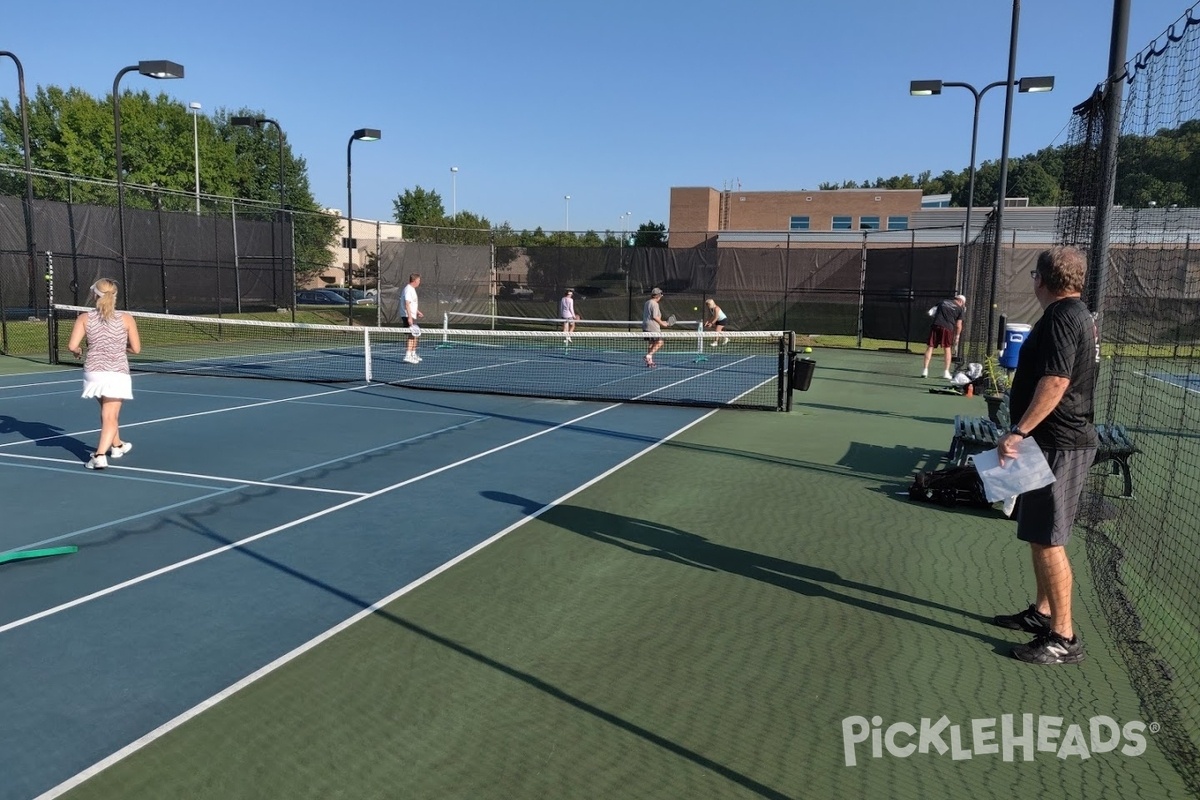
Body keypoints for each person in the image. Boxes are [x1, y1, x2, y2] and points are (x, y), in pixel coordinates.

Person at [992, 246, 1098, 665]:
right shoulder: (1076, 315)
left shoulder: (1061, 318)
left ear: (1041, 279)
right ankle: (1042, 612)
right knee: (1038, 534)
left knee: (1049, 541)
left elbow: (1055, 381)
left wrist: (1018, 431)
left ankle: (1063, 638)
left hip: (1059, 443)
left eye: (1034, 273)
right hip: (1052, 442)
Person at [66, 278, 141, 470]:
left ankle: (117, 446)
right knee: (110, 414)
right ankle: (99, 456)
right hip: (117, 372)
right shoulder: (126, 318)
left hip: (94, 373)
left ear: (94, 295)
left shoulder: (84, 318)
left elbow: (73, 346)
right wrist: (120, 348)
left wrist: (77, 352)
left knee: (108, 413)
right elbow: (136, 349)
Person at [921, 293, 966, 379]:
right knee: (947, 348)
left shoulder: (942, 302)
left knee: (930, 347)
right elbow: (959, 325)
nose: (962, 305)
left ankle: (925, 370)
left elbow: (930, 312)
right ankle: (946, 372)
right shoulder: (960, 309)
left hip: (935, 325)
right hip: (947, 328)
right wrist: (957, 336)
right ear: (961, 301)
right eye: (963, 304)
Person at [642, 287, 671, 367]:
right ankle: (649, 356)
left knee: (651, 343)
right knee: (660, 342)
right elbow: (655, 316)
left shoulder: (647, 302)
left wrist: (663, 322)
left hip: (646, 326)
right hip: (653, 327)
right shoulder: (655, 304)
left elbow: (651, 316)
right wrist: (663, 324)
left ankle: (649, 361)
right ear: (658, 296)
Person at [400, 273, 423, 364]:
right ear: (415, 280)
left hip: (412, 315)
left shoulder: (412, 289)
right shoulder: (408, 289)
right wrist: (409, 317)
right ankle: (408, 355)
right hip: (407, 315)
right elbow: (407, 303)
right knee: (411, 335)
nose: (419, 282)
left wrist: (417, 312)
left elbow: (412, 304)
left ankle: (413, 354)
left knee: (416, 334)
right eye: (419, 280)